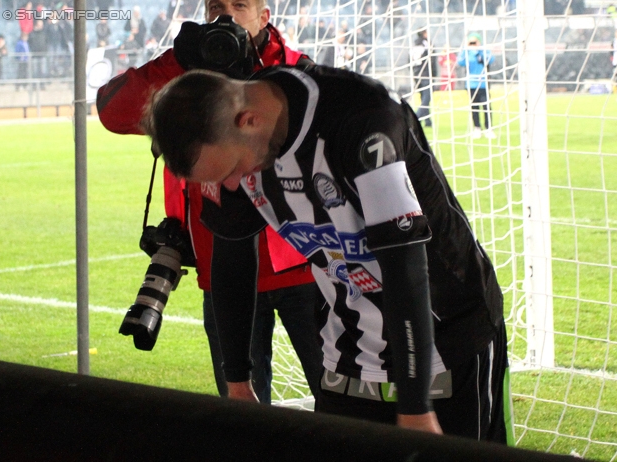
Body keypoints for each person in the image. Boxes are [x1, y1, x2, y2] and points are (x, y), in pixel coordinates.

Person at [144, 65, 510, 441]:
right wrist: (237, 380)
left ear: (249, 120)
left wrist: (415, 406)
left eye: (235, 170)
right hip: (346, 350)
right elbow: (232, 257)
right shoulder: (231, 147)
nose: (234, 186)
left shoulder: (364, 120)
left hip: (448, 336)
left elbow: (405, 266)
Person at [97, 0, 323, 404]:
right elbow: (114, 113)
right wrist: (178, 61)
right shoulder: (186, 79)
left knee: (342, 403)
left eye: (240, 5)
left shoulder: (293, 69)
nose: (228, 15)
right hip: (222, 267)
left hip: (304, 267)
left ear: (264, 17)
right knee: (241, 411)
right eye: (217, 6)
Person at [457, 32, 495, 139]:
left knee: (486, 106)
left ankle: (488, 128)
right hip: (471, 84)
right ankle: (477, 128)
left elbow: (490, 59)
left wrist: (479, 51)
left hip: (483, 83)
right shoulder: (467, 53)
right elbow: (460, 62)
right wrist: (467, 49)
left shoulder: (483, 51)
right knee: (474, 107)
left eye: (475, 41)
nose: (473, 44)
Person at [410, 29, 434, 127]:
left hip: (416, 74)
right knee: (426, 98)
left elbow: (409, 60)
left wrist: (414, 72)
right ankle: (416, 118)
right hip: (425, 74)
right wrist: (433, 74)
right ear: (424, 34)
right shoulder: (426, 44)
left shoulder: (414, 45)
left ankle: (428, 121)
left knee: (423, 97)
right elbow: (431, 60)